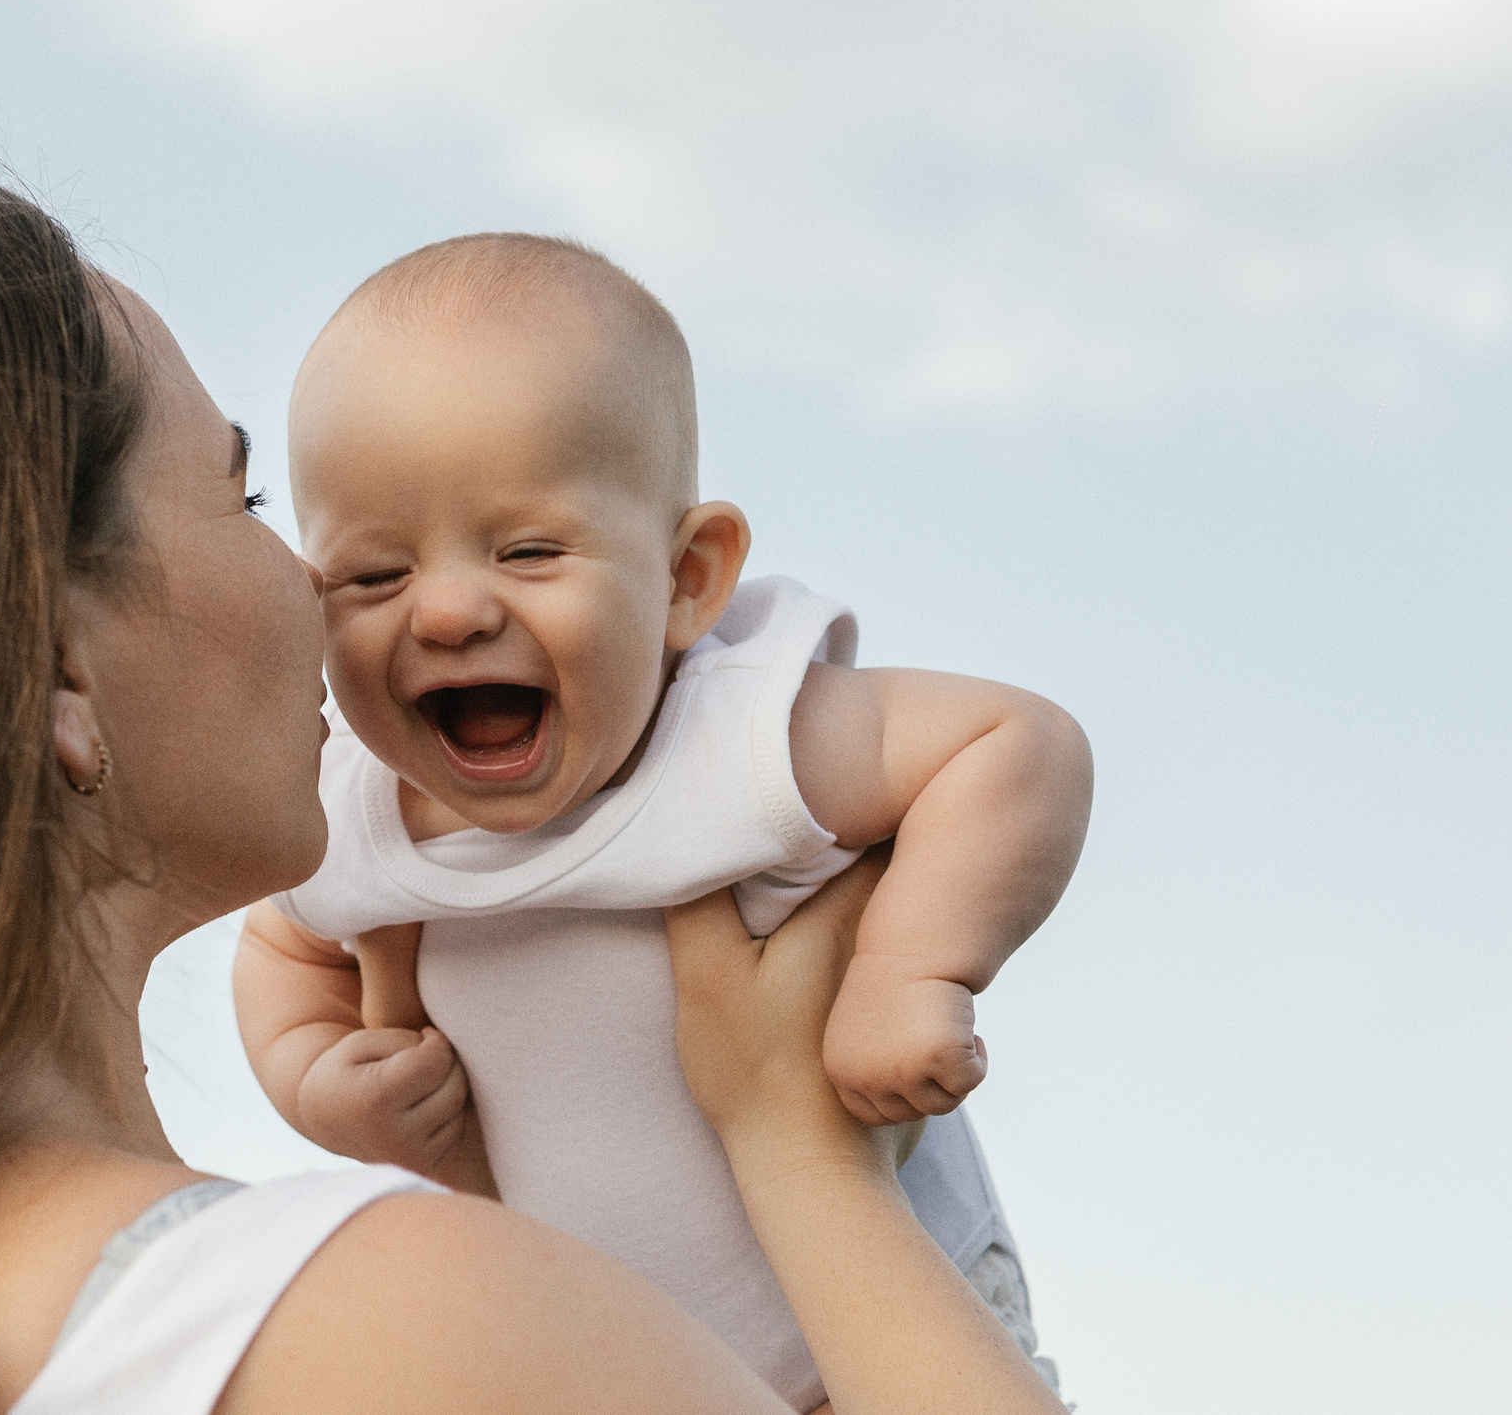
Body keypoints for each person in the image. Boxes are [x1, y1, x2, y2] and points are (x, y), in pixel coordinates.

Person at [0, 184, 1067, 1415]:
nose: (337, 597)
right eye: (252, 494)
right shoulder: (389, 1330)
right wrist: (798, 1152)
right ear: (57, 667)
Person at [235, 234, 1091, 1407]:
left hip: (890, 1323)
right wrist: (316, 1080)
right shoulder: (360, 815)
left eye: (528, 550)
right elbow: (284, 944)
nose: (444, 610)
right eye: (371, 577)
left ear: (687, 580)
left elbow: (1014, 746)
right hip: (633, 1370)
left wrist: (910, 971)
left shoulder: (737, 742)